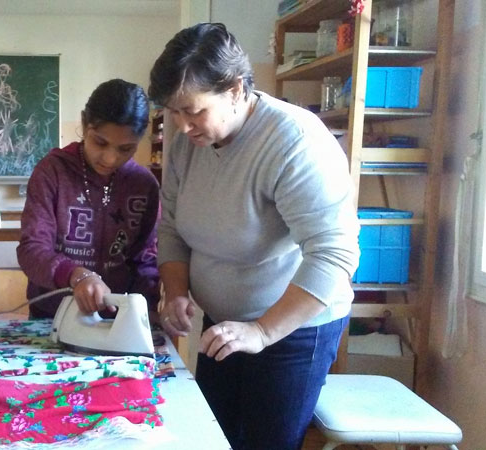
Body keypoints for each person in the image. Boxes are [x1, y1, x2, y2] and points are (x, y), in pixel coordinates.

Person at [149, 23, 360, 450]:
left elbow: (334, 255)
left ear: (234, 89)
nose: (182, 125)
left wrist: (262, 332)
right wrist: (176, 293)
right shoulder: (189, 140)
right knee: (214, 438)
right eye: (173, 112)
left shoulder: (294, 140)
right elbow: (171, 227)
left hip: (293, 330)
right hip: (226, 325)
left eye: (192, 110)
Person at [17, 79, 160, 318]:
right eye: (100, 142)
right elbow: (32, 249)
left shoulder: (144, 185)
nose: (110, 158)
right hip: (53, 314)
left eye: (125, 149)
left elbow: (146, 260)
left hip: (119, 317)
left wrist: (148, 309)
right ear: (84, 124)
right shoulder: (52, 172)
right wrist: (75, 275)